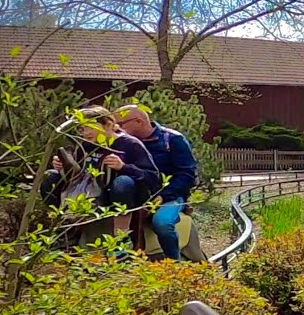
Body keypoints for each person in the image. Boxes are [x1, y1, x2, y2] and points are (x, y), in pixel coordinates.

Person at [42, 105, 160, 241]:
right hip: (90, 192)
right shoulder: (85, 145)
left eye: (91, 127)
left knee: (123, 182)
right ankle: (61, 231)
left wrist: (124, 167)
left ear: (108, 125)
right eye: (82, 129)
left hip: (120, 194)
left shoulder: (129, 144)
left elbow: (153, 178)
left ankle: (121, 238)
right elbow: (77, 174)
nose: (86, 133)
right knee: (50, 177)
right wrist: (63, 166)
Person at [116, 104, 199, 261]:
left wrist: (164, 196)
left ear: (139, 121)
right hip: (135, 195)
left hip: (169, 196)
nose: (117, 129)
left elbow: (187, 175)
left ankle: (173, 262)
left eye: (121, 124)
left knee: (162, 223)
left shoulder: (173, 140)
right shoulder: (123, 143)